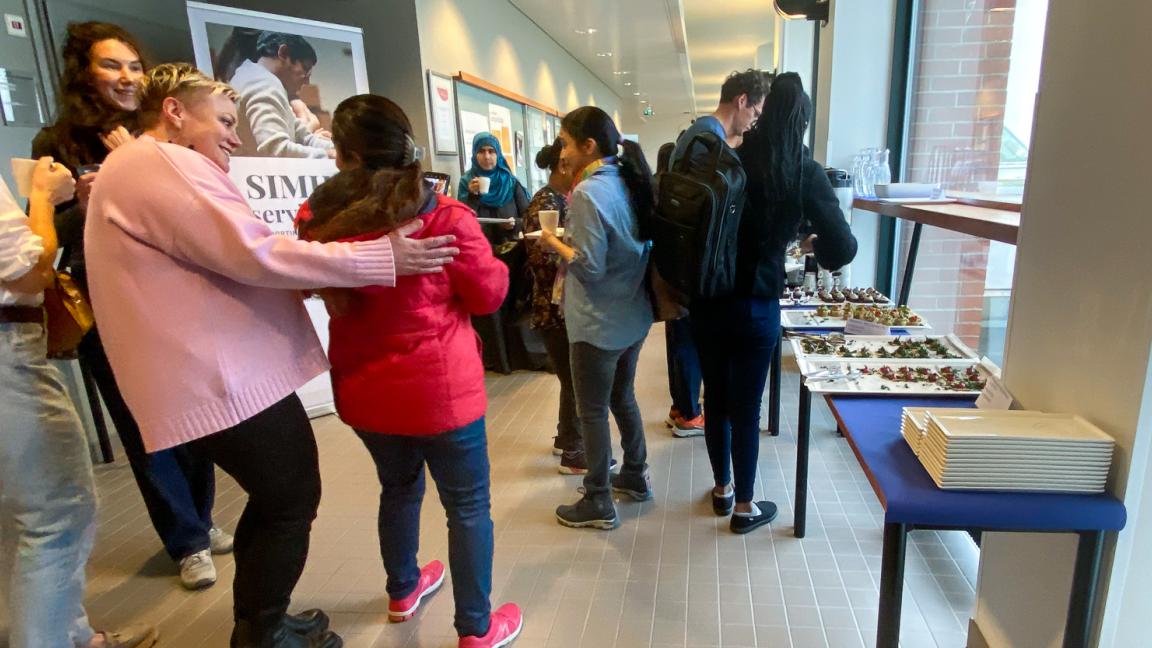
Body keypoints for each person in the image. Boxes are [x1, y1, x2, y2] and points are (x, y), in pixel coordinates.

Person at [84, 63, 460, 648]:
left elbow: (227, 259)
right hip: (217, 377)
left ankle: (262, 622)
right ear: (175, 112)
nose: (236, 136)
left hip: (215, 371)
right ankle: (263, 634)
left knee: (280, 496)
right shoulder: (158, 162)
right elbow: (252, 253)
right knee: (291, 497)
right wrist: (376, 259)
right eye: (226, 121)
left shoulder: (142, 167)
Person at [296, 93, 522, 648]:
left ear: (345, 155)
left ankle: (402, 590)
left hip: (365, 390)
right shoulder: (444, 217)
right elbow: (489, 294)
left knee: (396, 488)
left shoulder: (319, 222)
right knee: (467, 506)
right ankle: (475, 628)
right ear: (407, 149)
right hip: (441, 393)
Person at [30, 21, 232, 591]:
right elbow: (44, 230)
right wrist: (90, 200)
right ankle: (185, 539)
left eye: (134, 66)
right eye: (110, 65)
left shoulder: (162, 130)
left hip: (174, 294)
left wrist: (154, 158)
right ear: (84, 75)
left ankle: (203, 516)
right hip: (104, 301)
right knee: (143, 423)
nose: (126, 77)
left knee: (195, 412)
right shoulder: (56, 146)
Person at [1, 159, 156, 648]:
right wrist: (44, 199)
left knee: (27, 513)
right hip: (8, 351)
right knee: (58, 514)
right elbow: (28, 272)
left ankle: (73, 634)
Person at [694, 72, 857, 534]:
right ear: (802, 118)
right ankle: (746, 507)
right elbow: (843, 247)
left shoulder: (732, 155)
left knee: (717, 398)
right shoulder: (803, 170)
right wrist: (811, 245)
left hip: (709, 299)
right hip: (757, 304)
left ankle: (722, 489)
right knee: (747, 407)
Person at [541, 107, 654, 530]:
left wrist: (555, 243)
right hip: (632, 316)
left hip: (597, 322)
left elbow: (589, 266)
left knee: (591, 410)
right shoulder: (628, 181)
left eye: (566, 143)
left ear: (589, 146)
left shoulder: (588, 193)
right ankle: (635, 474)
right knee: (622, 396)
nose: (562, 152)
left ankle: (598, 498)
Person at [524, 138, 583, 470]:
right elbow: (540, 260)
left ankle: (566, 439)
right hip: (554, 306)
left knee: (571, 377)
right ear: (564, 164)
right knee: (575, 378)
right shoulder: (546, 204)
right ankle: (575, 451)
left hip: (558, 305)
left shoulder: (560, 199)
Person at [220, 29, 334, 158]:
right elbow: (275, 149)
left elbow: (304, 138)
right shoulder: (263, 83)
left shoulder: (256, 76)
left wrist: (340, 148)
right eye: (305, 69)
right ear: (283, 53)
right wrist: (328, 155)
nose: (307, 81)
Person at [458, 132, 528, 245]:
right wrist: (472, 196)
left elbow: (528, 217)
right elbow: (461, 222)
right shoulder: (466, 182)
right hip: (478, 247)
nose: (487, 157)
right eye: (481, 151)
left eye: (491, 151)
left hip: (510, 248)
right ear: (475, 154)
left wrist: (514, 224)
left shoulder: (510, 182)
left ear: (498, 155)